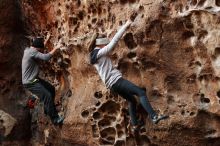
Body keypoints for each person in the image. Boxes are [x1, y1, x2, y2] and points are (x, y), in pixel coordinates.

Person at [89, 20, 168, 131]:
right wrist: (126, 24)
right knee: (141, 93)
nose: (106, 45)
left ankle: (135, 125)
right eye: (105, 43)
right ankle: (154, 116)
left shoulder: (94, 55)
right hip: (116, 81)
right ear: (101, 44)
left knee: (132, 100)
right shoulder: (99, 52)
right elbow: (114, 41)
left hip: (113, 85)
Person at [22, 36, 64, 125]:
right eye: (41, 48)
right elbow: (45, 57)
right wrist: (56, 47)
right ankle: (55, 119)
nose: (41, 50)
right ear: (38, 48)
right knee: (47, 95)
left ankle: (47, 109)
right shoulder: (32, 52)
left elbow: (38, 50)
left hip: (33, 80)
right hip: (30, 82)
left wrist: (46, 41)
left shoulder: (29, 50)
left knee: (51, 89)